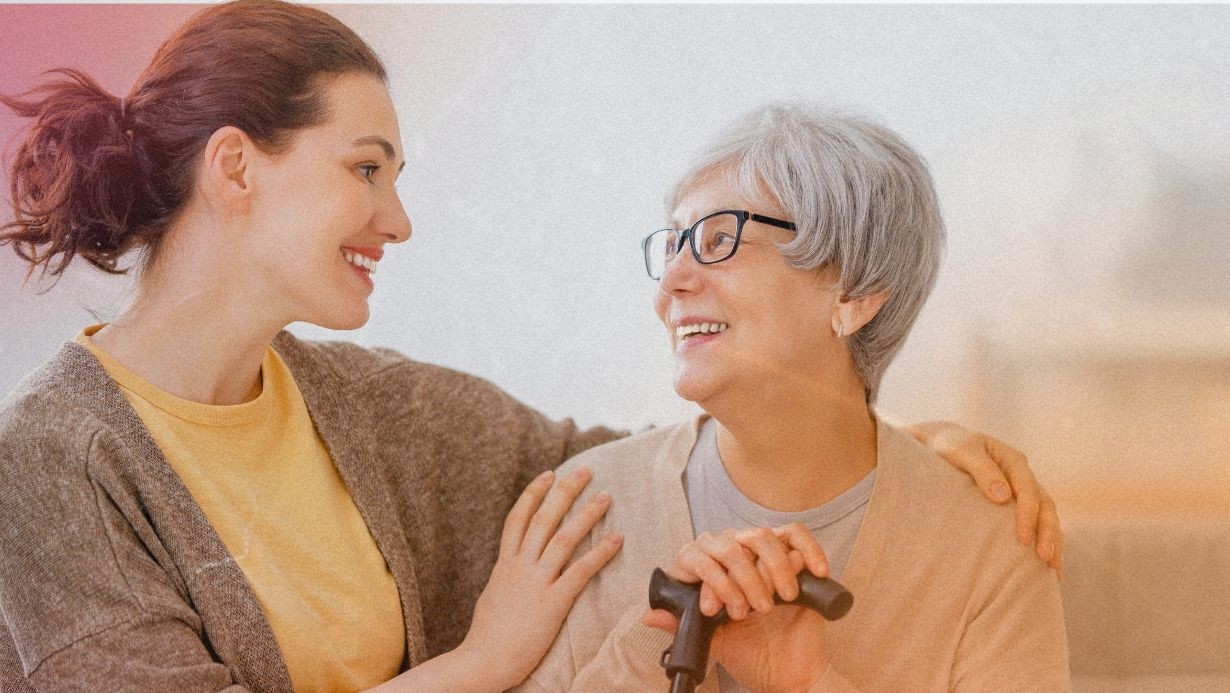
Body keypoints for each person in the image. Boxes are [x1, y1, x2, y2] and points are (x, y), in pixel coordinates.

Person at [0, 2, 1060, 690]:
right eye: (368, 169)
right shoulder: (49, 465)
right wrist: (486, 662)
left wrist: (911, 441)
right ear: (237, 169)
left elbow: (656, 468)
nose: (400, 218)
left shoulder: (380, 412)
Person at [518, 106, 1070, 692]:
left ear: (852, 293)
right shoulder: (587, 512)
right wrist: (651, 645)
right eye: (676, 244)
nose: (672, 281)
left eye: (720, 239)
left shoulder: (988, 546)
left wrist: (806, 682)